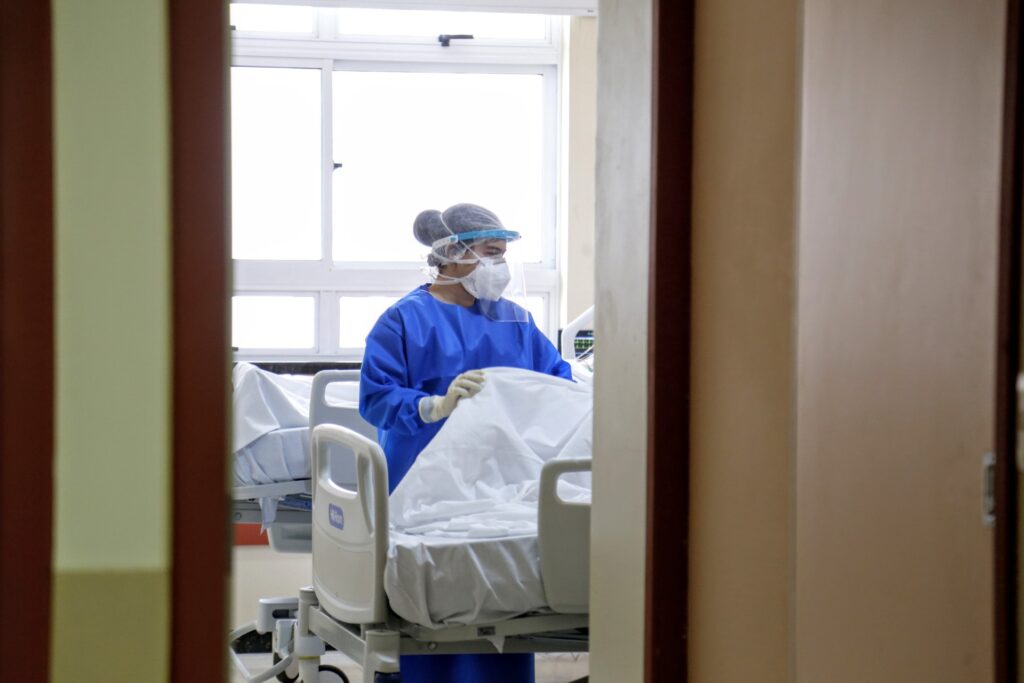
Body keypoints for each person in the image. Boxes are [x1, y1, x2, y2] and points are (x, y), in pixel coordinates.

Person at [359, 202, 572, 683]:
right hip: (422, 486)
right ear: (453, 254)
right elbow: (375, 398)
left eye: (503, 255)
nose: (500, 266)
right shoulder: (403, 321)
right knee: (428, 627)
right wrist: (433, 406)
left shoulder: (514, 320)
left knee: (506, 619)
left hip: (501, 488)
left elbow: (557, 383)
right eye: (491, 253)